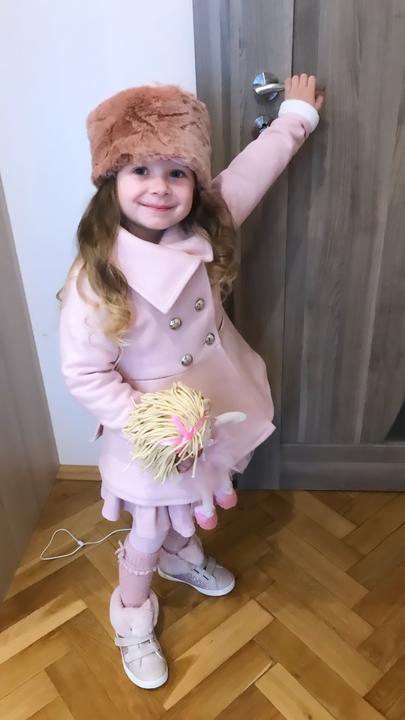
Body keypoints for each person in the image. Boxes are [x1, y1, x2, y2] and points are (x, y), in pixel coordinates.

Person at [59, 75, 323, 689]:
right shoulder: (98, 278)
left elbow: (251, 173)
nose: (160, 187)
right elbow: (85, 373)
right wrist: (154, 426)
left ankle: (182, 559)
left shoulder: (206, 226)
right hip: (154, 433)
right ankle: (131, 614)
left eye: (177, 172)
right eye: (140, 170)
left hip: (214, 404)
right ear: (110, 181)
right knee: (149, 527)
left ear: (194, 183)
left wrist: (296, 117)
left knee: (201, 493)